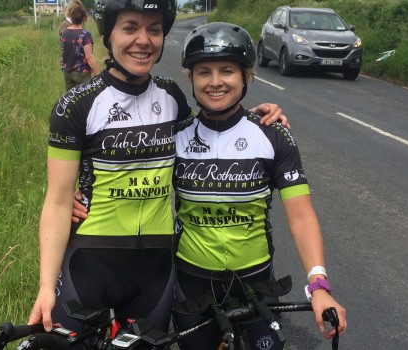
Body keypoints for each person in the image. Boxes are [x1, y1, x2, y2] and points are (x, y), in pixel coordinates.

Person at [28, 0, 285, 335]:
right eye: (130, 27)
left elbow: (206, 139)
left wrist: (258, 120)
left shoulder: (172, 96)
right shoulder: (76, 105)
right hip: (89, 263)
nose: (144, 40)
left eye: (154, 29)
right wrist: (46, 286)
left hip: (155, 271)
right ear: (108, 34)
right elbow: (58, 201)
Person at [169, 22, 347, 349]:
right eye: (203, 72)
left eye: (227, 71)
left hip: (255, 281)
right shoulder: (176, 136)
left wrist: (319, 285)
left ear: (246, 77)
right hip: (192, 282)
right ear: (190, 78)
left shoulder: (273, 135)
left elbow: (301, 216)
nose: (216, 82)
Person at [59, 3, 100, 90]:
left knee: (71, 100)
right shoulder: (85, 34)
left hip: (67, 73)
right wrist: (98, 75)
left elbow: (63, 51)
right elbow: (89, 57)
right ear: (84, 18)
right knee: (84, 99)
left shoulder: (64, 33)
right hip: (82, 73)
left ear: (71, 17)